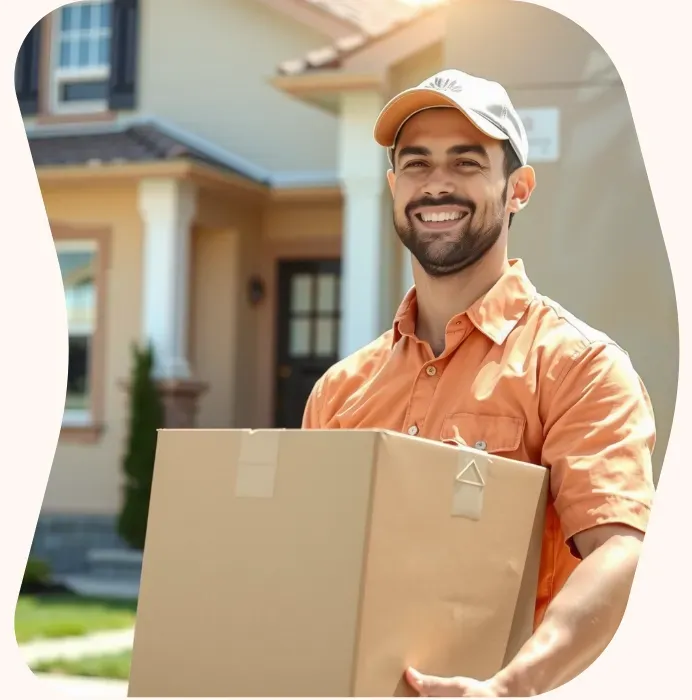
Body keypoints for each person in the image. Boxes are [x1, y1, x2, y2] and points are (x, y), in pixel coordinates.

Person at [301, 69, 656, 697]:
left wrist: (509, 687)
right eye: (416, 164)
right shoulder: (339, 391)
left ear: (518, 188)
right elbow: (307, 560)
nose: (436, 183)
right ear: (392, 187)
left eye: (466, 162)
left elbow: (620, 553)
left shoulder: (580, 367)